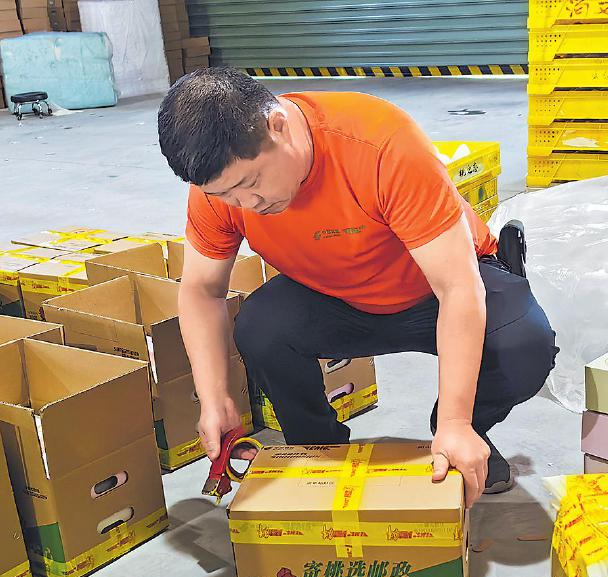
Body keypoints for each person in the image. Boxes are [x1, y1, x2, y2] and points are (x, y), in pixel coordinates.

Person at [156, 68, 556, 507]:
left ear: (278, 125)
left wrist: (456, 421)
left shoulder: (380, 143)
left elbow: (457, 287)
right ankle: (319, 451)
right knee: (260, 327)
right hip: (338, 296)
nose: (247, 204)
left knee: (524, 345)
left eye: (251, 183)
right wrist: (214, 398)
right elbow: (202, 291)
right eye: (227, 196)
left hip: (433, 291)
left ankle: (463, 435)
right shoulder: (220, 188)